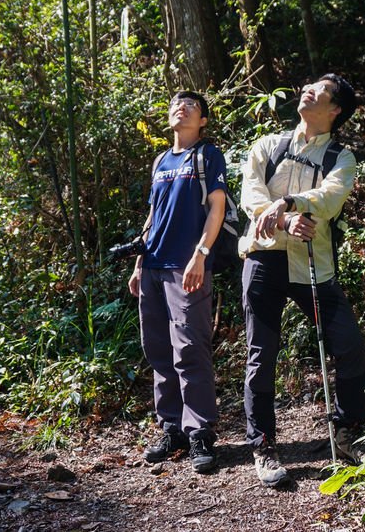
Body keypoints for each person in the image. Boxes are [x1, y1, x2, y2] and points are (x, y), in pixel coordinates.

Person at [238, 74, 365, 487]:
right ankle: (263, 446)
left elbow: (330, 200)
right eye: (309, 85)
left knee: (348, 347)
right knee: (262, 355)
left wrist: (291, 202)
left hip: (314, 266)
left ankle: (347, 433)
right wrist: (286, 219)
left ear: (335, 110)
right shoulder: (267, 146)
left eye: (321, 90)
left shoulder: (340, 158)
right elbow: (250, 196)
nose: (308, 90)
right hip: (263, 261)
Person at [128, 91, 226, 474]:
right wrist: (139, 263)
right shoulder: (160, 160)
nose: (180, 109)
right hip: (153, 267)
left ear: (202, 120)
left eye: (190, 106)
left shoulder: (207, 155)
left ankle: (200, 431)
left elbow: (216, 207)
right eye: (174, 104)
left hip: (187, 267)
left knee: (190, 349)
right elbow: (153, 215)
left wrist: (200, 254)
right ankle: (172, 429)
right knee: (158, 350)